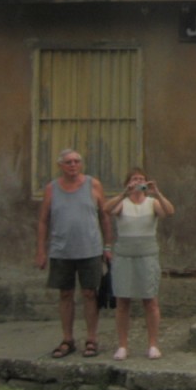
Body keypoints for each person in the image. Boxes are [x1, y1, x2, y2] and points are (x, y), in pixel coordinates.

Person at [35, 148, 111, 359]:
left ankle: (92, 339)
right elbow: (43, 221)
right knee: (65, 294)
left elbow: (104, 217)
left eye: (77, 161)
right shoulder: (52, 189)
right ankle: (68, 339)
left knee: (89, 293)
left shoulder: (93, 185)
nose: (73, 165)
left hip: (90, 249)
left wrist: (108, 246)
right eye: (68, 162)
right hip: (61, 250)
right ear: (60, 165)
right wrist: (41, 250)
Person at [103, 168, 175, 360]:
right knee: (122, 301)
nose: (138, 182)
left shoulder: (152, 203)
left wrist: (157, 192)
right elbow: (107, 209)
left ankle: (152, 344)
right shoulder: (123, 203)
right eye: (134, 179)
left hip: (147, 255)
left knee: (150, 300)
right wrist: (124, 194)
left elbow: (169, 211)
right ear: (128, 182)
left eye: (141, 179)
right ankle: (122, 346)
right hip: (125, 256)